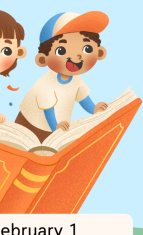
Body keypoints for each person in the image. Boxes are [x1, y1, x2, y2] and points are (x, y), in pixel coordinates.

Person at [15, 11, 109, 142]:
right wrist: (56, 128)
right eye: (62, 51)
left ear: (100, 52)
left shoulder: (76, 78)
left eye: (87, 48)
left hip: (59, 128)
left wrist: (94, 109)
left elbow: (82, 97)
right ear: (43, 60)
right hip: (31, 124)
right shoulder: (46, 83)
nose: (77, 57)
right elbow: (48, 110)